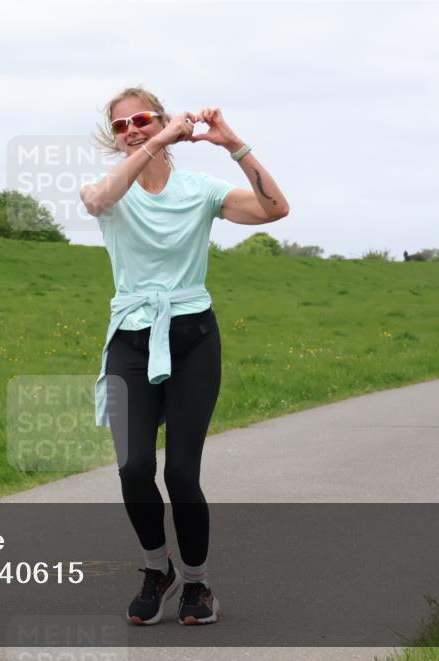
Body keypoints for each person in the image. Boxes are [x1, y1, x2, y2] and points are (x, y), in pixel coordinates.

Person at [81, 87, 289, 625]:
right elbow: (97, 201)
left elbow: (275, 209)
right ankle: (158, 569)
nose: (134, 129)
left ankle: (197, 584)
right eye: (123, 125)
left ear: (164, 120)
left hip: (192, 337)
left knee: (180, 473)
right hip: (130, 339)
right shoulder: (112, 188)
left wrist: (234, 145)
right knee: (132, 468)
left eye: (143, 120)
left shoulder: (199, 190)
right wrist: (158, 143)